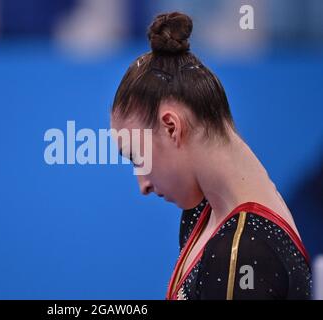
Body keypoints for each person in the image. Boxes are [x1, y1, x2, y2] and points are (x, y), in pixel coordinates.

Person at [110, 12, 312, 300]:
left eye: (137, 157)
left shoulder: (246, 251)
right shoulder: (204, 213)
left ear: (171, 127)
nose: (143, 184)